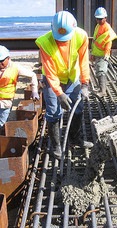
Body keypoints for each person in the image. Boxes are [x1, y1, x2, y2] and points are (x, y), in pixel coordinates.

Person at [35, 11, 93, 159]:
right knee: (53, 112)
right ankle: (56, 146)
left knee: (77, 108)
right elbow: (50, 72)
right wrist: (59, 93)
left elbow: (83, 61)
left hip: (72, 78)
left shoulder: (81, 36)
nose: (62, 41)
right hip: (52, 80)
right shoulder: (45, 42)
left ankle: (74, 139)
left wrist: (85, 83)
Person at [90, 7, 117, 97]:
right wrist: (92, 53)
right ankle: (101, 88)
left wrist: (106, 54)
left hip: (102, 55)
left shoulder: (106, 28)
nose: (99, 20)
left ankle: (103, 91)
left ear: (105, 18)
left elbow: (108, 42)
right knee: (98, 71)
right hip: (97, 54)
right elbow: (95, 40)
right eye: (97, 19)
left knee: (101, 71)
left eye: (101, 19)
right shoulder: (98, 26)